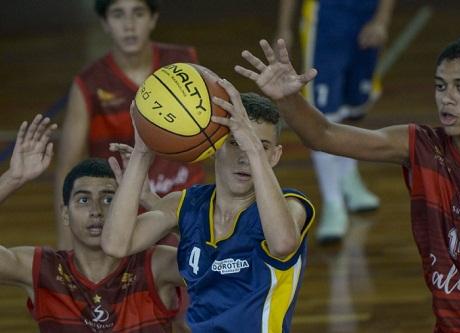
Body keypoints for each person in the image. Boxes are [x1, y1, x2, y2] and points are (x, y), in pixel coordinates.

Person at [236, 36, 460, 331]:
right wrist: (287, 98)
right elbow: (323, 135)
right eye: (440, 86)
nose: (446, 98)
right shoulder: (422, 146)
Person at [100, 88, 315, 332]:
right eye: (235, 143)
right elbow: (115, 245)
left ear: (274, 156)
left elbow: (283, 243)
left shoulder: (292, 205)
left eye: (260, 146)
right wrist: (141, 154)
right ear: (214, 147)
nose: (244, 156)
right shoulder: (185, 205)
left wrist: (252, 148)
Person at [0, 115, 184, 332]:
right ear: (65, 214)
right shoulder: (42, 269)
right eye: (84, 200)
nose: (96, 211)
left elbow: (221, 258)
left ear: (124, 208)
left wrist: (150, 199)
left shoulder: (156, 264)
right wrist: (13, 178)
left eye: (108, 199)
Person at [55, 0, 205, 250]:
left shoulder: (183, 63)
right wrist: (65, 245)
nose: (129, 25)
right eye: (118, 14)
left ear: (153, 18)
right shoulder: (89, 83)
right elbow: (67, 167)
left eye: (138, 13)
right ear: (105, 23)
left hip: (184, 207)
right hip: (125, 219)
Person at [276, 0, 396, 242]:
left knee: (356, 105)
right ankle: (333, 202)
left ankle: (349, 178)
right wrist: (284, 27)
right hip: (326, 18)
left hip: (366, 14)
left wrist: (382, 19)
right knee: (324, 111)